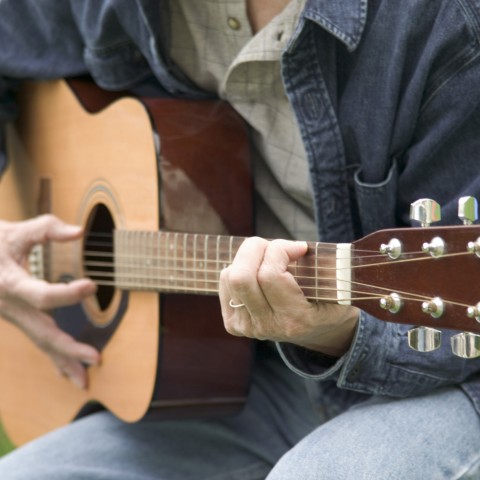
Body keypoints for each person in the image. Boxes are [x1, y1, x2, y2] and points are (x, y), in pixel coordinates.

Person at [0, 0, 480, 478]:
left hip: (447, 379)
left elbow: (461, 308)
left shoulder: (440, 19)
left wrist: (333, 332)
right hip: (243, 381)